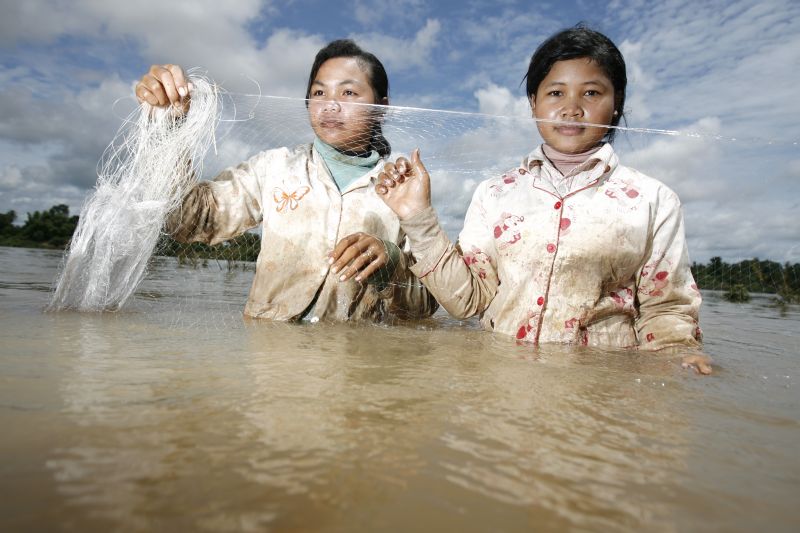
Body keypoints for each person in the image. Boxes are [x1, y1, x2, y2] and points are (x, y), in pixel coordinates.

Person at [375, 26, 712, 374]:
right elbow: (467, 301)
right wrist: (417, 215)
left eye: (592, 93)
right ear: (533, 103)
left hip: (601, 388)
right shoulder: (496, 193)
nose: (571, 109)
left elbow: (666, 309)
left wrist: (679, 354)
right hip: (499, 385)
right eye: (555, 93)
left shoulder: (652, 200)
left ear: (616, 104)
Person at [135, 39, 437, 322]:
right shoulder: (274, 167)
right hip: (270, 360)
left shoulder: (403, 189)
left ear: (381, 108)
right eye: (319, 93)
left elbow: (424, 307)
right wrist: (169, 124)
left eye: (348, 93)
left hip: (355, 366)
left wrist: (391, 261)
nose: (330, 105)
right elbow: (188, 220)